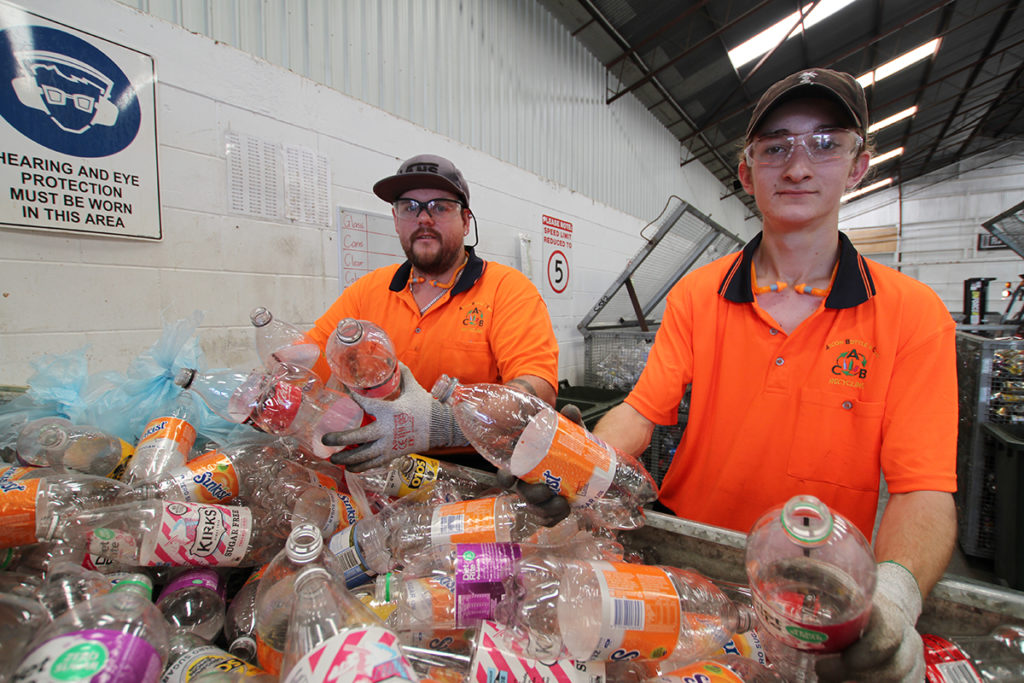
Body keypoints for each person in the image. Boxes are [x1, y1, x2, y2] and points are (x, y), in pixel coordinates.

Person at [591, 68, 957, 681]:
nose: (797, 167)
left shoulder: (913, 316)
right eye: (776, 147)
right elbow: (639, 413)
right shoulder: (696, 296)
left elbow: (924, 490)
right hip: (688, 564)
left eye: (825, 143)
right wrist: (573, 462)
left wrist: (892, 595)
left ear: (859, 165)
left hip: (818, 593)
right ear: (746, 172)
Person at [309, 154, 560, 476]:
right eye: (409, 207)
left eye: (440, 207)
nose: (423, 219)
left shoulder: (506, 289)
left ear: (466, 221)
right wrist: (278, 380)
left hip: (474, 469)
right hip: (379, 466)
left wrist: (444, 424)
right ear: (396, 219)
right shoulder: (368, 290)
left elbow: (538, 390)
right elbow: (312, 356)